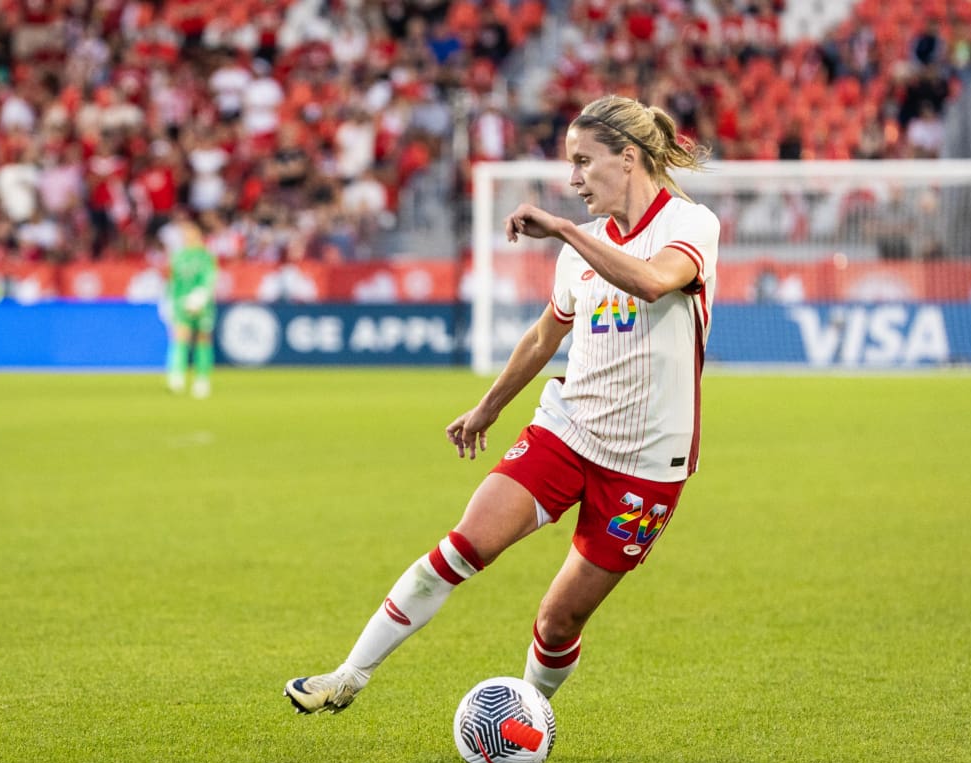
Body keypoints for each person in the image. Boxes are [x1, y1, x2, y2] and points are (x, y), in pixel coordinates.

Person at [284, 95, 720, 714]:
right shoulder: (581, 251)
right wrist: (487, 407)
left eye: (583, 162)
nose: (573, 179)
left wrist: (566, 229)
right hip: (567, 433)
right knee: (461, 548)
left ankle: (532, 717)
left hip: (649, 466)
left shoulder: (690, 224)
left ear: (628, 159)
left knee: (560, 618)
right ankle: (347, 676)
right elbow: (546, 335)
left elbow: (653, 282)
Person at [165, 219, 218, 398]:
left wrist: (201, 297)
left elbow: (209, 279)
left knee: (203, 339)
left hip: (202, 304)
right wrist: (169, 302)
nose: (186, 236)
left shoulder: (205, 256)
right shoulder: (178, 256)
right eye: (184, 233)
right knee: (180, 336)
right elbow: (173, 282)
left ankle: (202, 379)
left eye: (190, 232)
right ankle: (176, 376)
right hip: (181, 303)